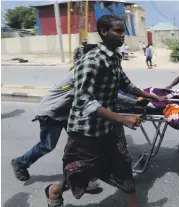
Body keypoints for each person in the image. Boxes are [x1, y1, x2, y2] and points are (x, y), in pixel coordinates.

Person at [44, 15, 166, 207]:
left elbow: (125, 83)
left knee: (123, 163)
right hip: (87, 129)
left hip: (110, 125)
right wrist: (123, 118)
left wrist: (152, 96)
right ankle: (55, 190)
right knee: (83, 171)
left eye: (123, 31)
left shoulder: (114, 57)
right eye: (117, 31)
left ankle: (133, 203)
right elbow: (84, 101)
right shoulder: (91, 61)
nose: (122, 36)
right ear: (103, 32)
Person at [11, 43, 143, 190]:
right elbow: (112, 96)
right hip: (52, 113)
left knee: (82, 146)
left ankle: (83, 180)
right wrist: (136, 103)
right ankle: (20, 163)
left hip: (67, 113)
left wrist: (137, 99)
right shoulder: (82, 72)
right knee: (47, 146)